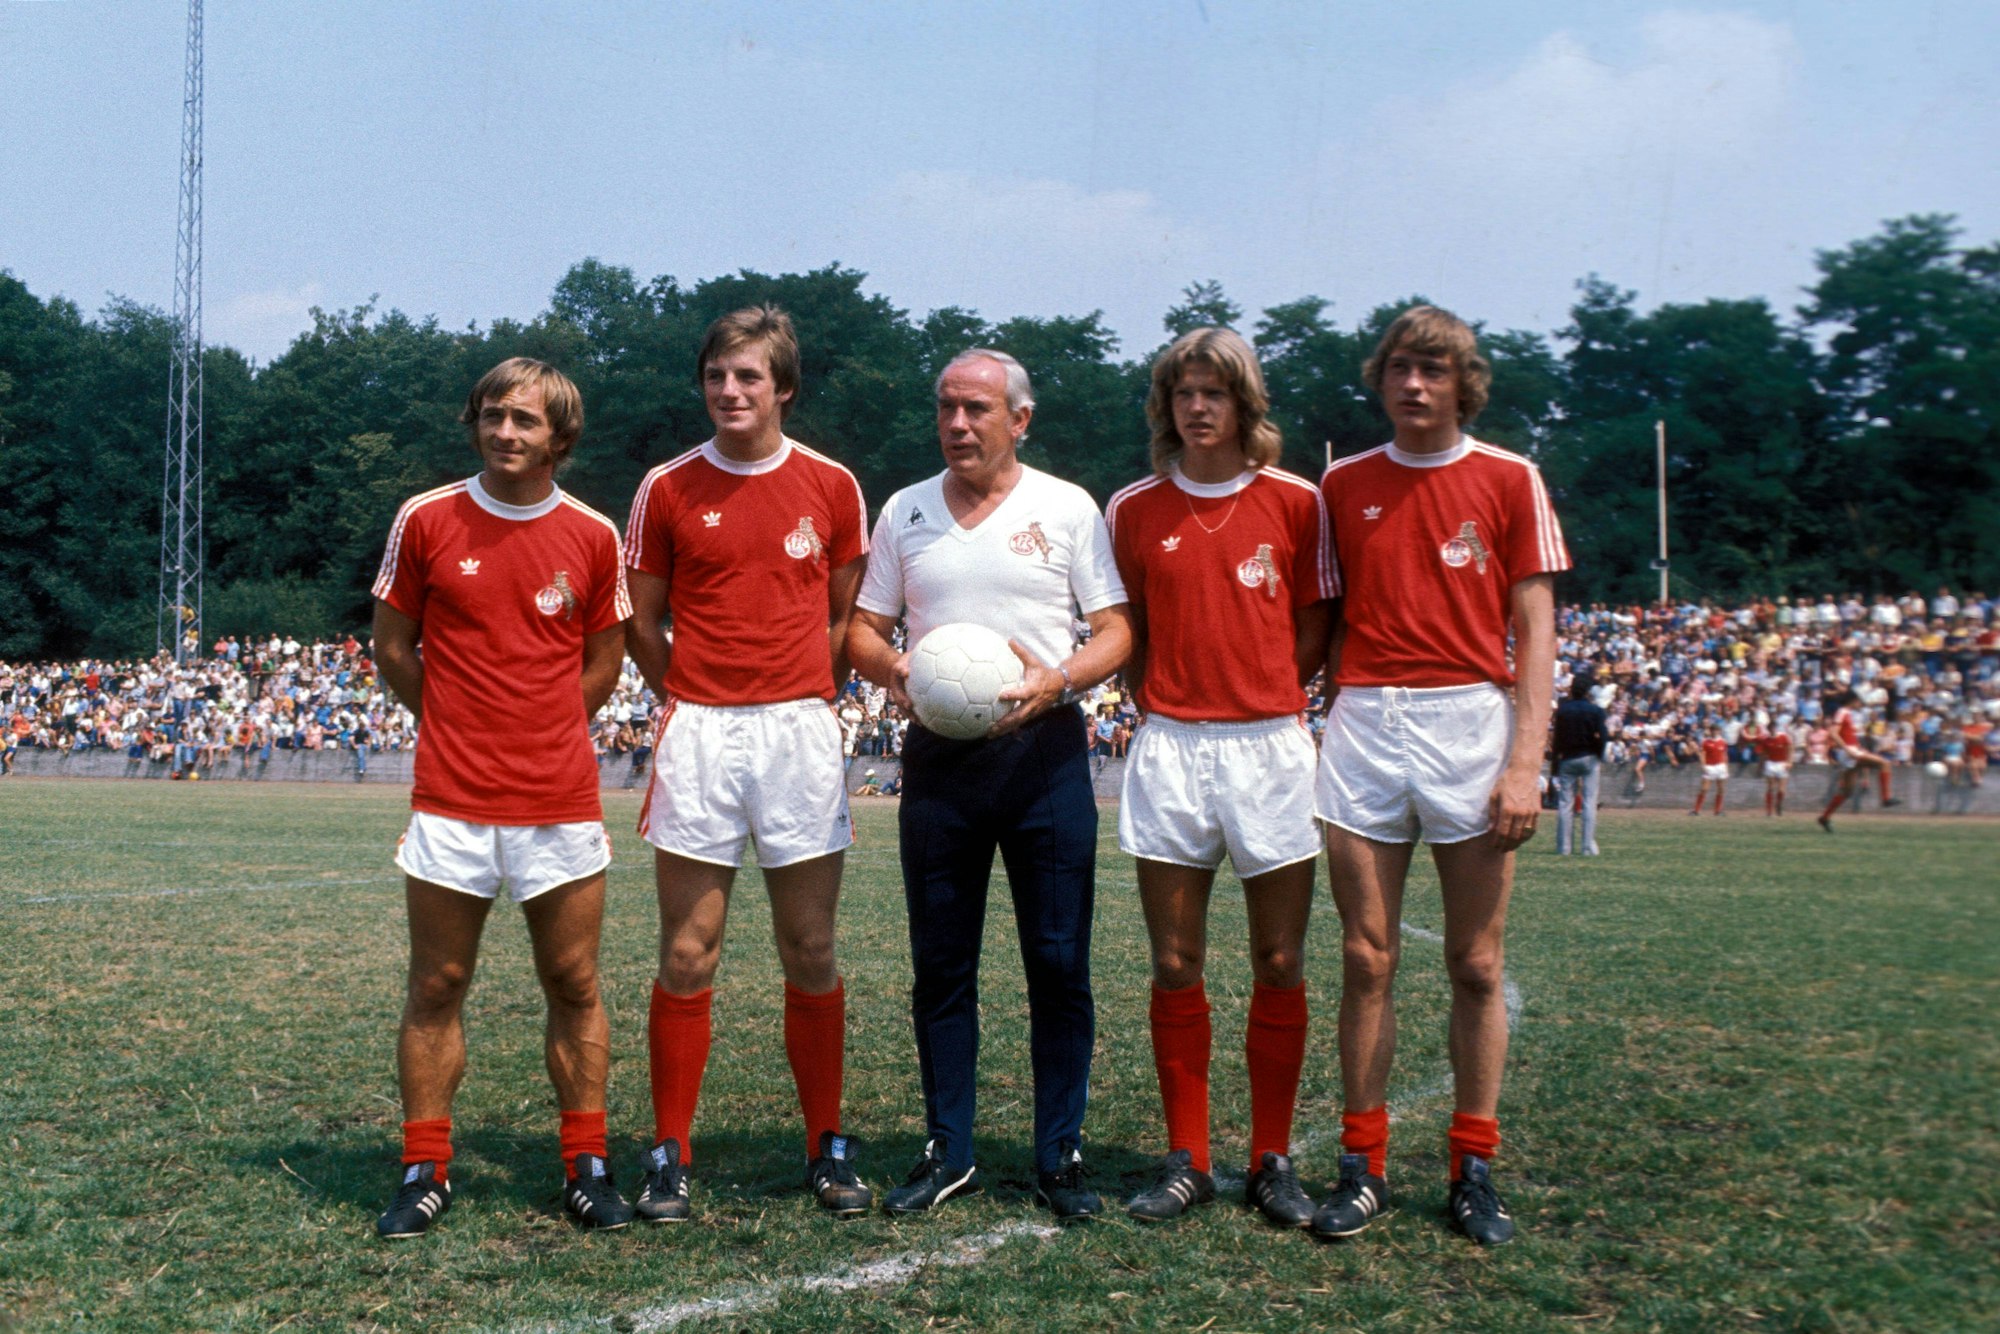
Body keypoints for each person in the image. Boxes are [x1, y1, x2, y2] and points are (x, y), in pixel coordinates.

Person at [847, 348, 1133, 1221]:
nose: (959, 424)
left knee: (1057, 963)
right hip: (940, 765)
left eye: (977, 408)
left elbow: (1117, 630)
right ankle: (950, 1150)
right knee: (941, 966)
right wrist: (897, 666)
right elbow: (862, 628)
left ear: (1020, 418)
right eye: (946, 408)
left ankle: (1061, 1155)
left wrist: (1060, 679)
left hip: (1043, 758)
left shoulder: (1068, 507)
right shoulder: (907, 509)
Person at [1312, 306, 1568, 1247]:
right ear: (1380, 380)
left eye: (1434, 370)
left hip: (1470, 720)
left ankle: (1474, 1167)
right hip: (1368, 721)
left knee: (1475, 962)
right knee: (1366, 957)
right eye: (1400, 369)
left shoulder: (1509, 476)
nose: (1415, 385)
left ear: (1465, 382)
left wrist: (1525, 759)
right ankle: (1362, 1165)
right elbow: (1323, 621)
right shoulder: (1341, 484)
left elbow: (1534, 624)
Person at [369, 357, 635, 1238]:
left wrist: (542, 727)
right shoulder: (427, 518)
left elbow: (604, 660)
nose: (504, 432)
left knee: (572, 978)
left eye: (524, 420)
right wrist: (458, 722)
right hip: (450, 797)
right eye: (491, 415)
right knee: (438, 982)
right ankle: (424, 1167)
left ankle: (587, 1165)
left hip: (557, 799)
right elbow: (394, 647)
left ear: (560, 436)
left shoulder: (594, 534)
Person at [623, 307, 872, 1220]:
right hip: (701, 732)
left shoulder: (834, 485)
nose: (731, 392)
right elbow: (641, 621)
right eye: (717, 377)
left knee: (809, 948)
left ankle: (827, 1145)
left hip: (799, 730)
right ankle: (670, 1152)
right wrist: (687, 693)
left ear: (784, 388)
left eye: (749, 378)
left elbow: (845, 619)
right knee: (689, 953)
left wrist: (806, 692)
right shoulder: (666, 487)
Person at [1104, 328, 1336, 1226]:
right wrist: (1169, 698)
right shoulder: (1132, 508)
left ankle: (1271, 1158)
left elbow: (1315, 629)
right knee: (1174, 961)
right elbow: (1127, 635)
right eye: (1182, 393)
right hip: (1170, 747)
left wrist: (1263, 692)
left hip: (1271, 745)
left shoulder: (1296, 502)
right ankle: (1189, 1158)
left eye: (1214, 393)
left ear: (1245, 403)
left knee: (1279, 959)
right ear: (1166, 406)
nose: (1197, 408)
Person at [1818, 688, 1900, 831]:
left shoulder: (1847, 713)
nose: (1859, 704)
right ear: (1853, 700)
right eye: (1858, 701)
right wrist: (1846, 748)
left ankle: (1824, 818)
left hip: (1852, 750)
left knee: (1847, 791)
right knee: (1884, 763)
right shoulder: (1843, 712)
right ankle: (1886, 798)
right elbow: (1832, 732)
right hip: (1850, 751)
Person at [1551, 674, 1606, 855]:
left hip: (1567, 757)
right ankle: (1587, 846)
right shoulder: (1596, 711)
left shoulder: (1563, 711)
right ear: (1588, 691)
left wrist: (1555, 765)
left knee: (1565, 804)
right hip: (1589, 757)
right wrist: (1598, 754)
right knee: (1590, 802)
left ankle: (1563, 847)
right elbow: (1603, 736)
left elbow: (1557, 739)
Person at [1692, 723, 1729, 816]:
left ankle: (1717, 811)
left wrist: (1726, 767)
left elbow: (1725, 755)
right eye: (1713, 730)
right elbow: (1702, 754)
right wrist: (1703, 766)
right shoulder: (1705, 742)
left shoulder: (1723, 742)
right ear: (1710, 731)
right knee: (1704, 789)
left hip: (1720, 766)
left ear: (1719, 731)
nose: (1714, 732)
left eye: (1716, 730)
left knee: (1721, 789)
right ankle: (1696, 810)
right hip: (1710, 767)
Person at [1760, 724, 1794, 816]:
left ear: (1776, 728)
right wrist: (1762, 765)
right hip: (1771, 763)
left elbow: (1790, 748)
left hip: (1782, 763)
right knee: (1771, 787)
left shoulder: (1783, 737)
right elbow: (1763, 753)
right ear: (1768, 730)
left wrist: (1790, 761)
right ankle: (1769, 810)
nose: (1772, 730)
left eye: (1774, 728)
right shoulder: (1766, 740)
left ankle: (1779, 804)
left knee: (1781, 789)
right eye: (1770, 729)